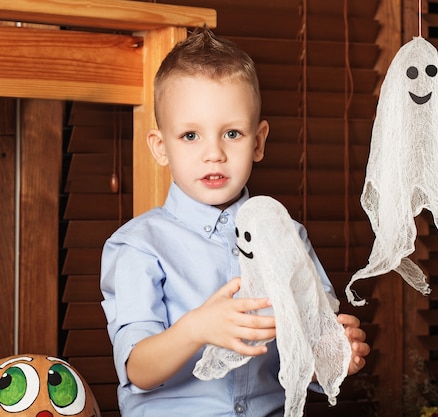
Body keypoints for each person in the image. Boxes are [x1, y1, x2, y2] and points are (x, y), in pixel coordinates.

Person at [100, 27, 370, 416]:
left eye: (232, 133)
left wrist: (335, 358)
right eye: (190, 135)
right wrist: (196, 328)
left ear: (258, 142)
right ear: (161, 147)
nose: (214, 153)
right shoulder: (137, 246)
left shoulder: (289, 237)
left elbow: (306, 356)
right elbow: (137, 369)